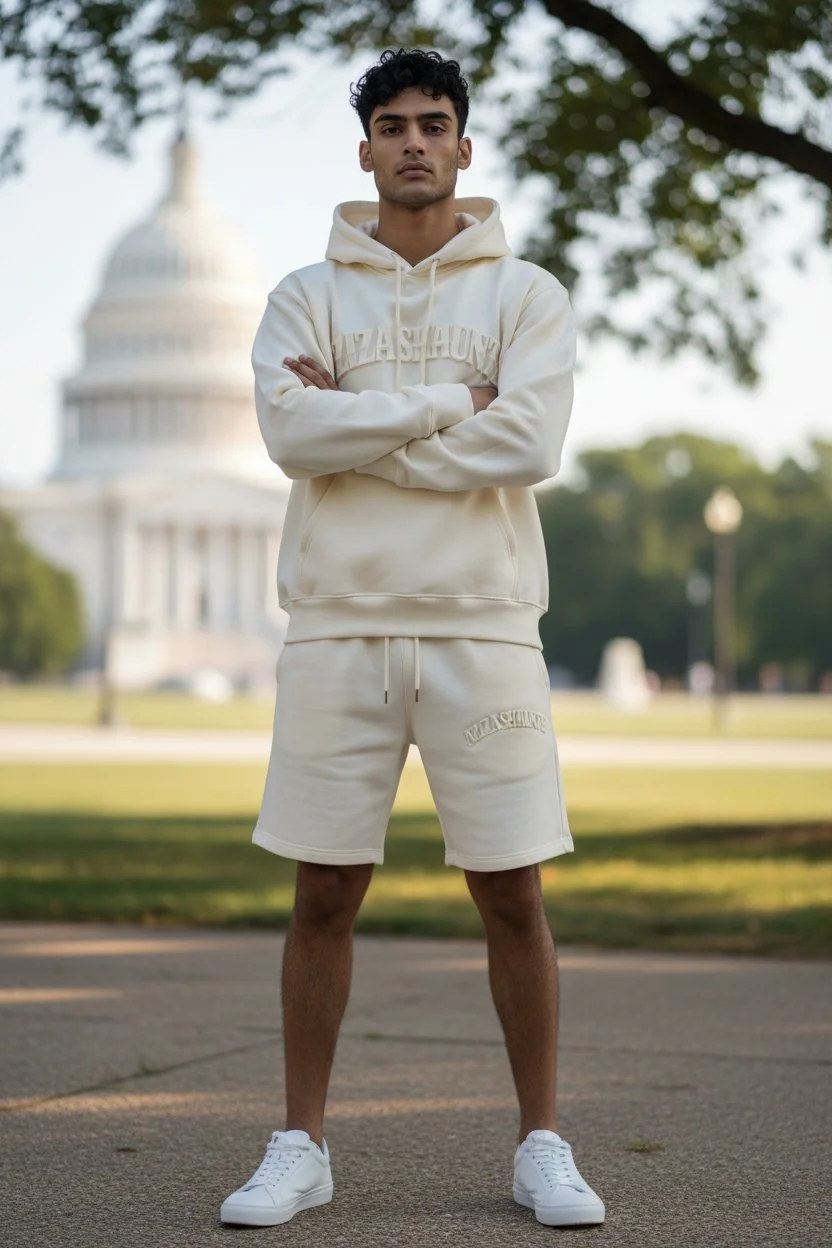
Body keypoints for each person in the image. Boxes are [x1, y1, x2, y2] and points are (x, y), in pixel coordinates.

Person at [220, 47, 605, 1231]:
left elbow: (528, 443)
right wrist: (448, 406)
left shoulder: (526, 294)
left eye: (434, 123)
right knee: (323, 890)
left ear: (465, 145)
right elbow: (291, 434)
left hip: (482, 628)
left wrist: (360, 427)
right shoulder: (304, 293)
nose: (414, 143)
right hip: (338, 626)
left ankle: (541, 1141)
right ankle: (302, 1144)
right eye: (393, 125)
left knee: (511, 890)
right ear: (366, 148)